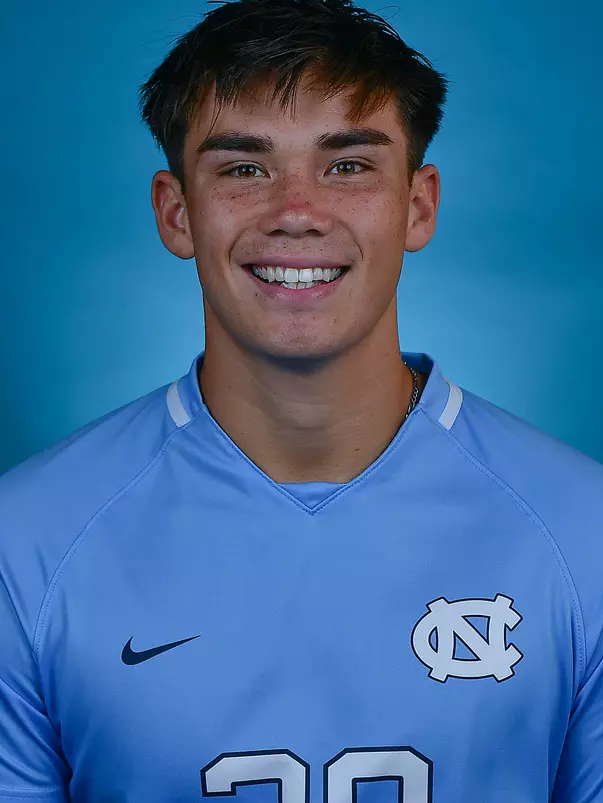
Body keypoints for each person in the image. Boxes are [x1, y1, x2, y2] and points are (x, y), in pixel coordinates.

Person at [0, 0, 602, 799]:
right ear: (175, 212)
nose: (296, 213)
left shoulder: (581, 534)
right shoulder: (27, 542)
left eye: (347, 164)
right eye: (244, 168)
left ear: (417, 205)